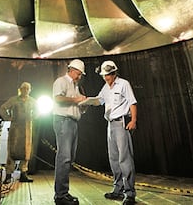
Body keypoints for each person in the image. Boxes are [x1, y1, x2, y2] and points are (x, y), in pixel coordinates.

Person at [95, 60, 138, 205]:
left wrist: (133, 120)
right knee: (113, 158)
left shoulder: (124, 84)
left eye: (108, 75)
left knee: (124, 158)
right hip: (110, 124)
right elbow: (99, 100)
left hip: (121, 123)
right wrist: (83, 101)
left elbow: (132, 102)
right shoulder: (105, 88)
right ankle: (117, 190)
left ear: (114, 73)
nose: (106, 77)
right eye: (104, 75)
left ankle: (130, 193)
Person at [51, 59, 88, 205]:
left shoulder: (76, 86)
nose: (79, 77)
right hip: (63, 121)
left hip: (73, 122)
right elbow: (58, 99)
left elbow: (75, 104)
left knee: (69, 158)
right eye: (78, 74)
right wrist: (76, 99)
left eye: (80, 75)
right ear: (71, 70)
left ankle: (63, 193)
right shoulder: (61, 81)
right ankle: (60, 196)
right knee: (64, 157)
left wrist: (83, 105)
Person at [0, 82, 37, 183]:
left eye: (27, 88)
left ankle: (23, 173)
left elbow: (38, 110)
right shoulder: (14, 100)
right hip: (15, 129)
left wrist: (34, 116)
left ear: (30, 90)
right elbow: (3, 108)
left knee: (26, 150)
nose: (25, 90)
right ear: (20, 89)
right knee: (12, 150)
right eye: (23, 88)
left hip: (27, 128)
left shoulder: (32, 101)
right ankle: (8, 174)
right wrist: (8, 118)